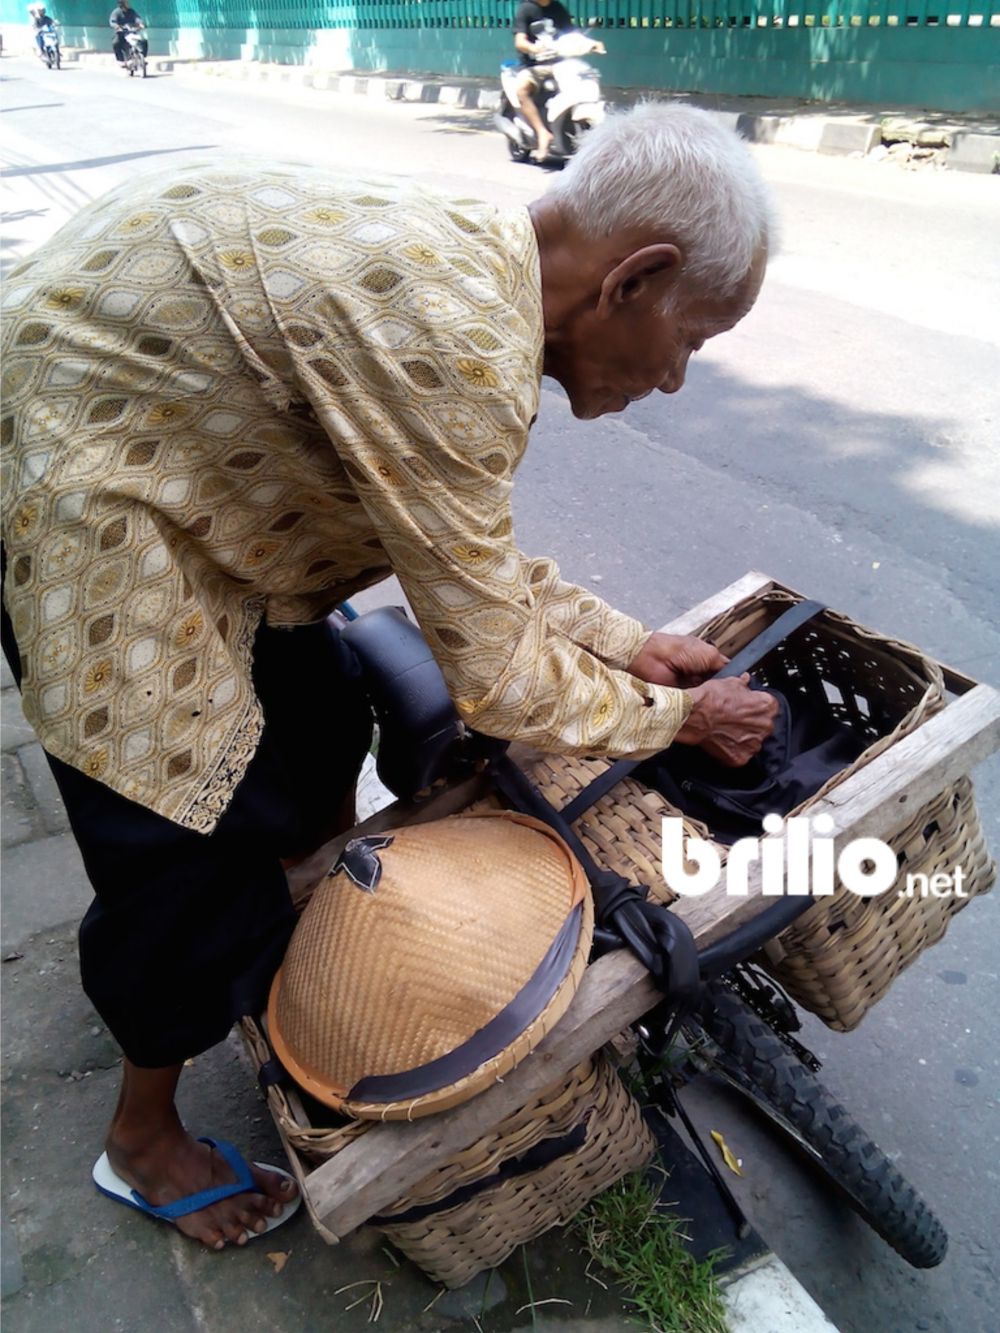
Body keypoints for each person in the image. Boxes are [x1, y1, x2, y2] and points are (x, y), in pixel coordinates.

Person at [1, 102, 778, 1251]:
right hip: (83, 482)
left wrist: (620, 636)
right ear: (636, 278)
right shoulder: (458, 334)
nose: (673, 380)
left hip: (186, 469)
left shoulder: (484, 260)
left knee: (317, 717)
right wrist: (674, 716)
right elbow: (501, 681)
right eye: (694, 341)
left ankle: (302, 931)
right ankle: (143, 1135)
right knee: (176, 833)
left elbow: (456, 548)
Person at [512, 0, 603, 161]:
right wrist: (533, 48)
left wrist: (592, 44)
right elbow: (520, 41)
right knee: (522, 90)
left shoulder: (558, 8)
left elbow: (572, 35)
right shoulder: (526, 9)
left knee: (582, 83)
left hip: (562, 62)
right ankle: (542, 134)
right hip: (536, 65)